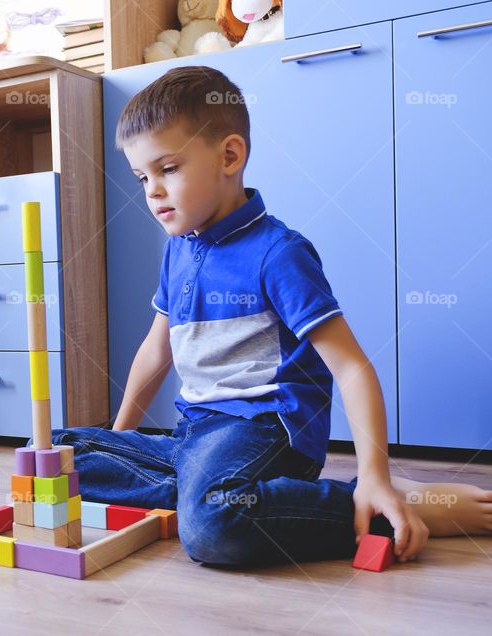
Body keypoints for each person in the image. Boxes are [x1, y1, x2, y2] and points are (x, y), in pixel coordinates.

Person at [45, 66, 492, 566]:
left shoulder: (278, 253)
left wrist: (375, 473)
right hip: (193, 436)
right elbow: (157, 350)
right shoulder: (178, 251)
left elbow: (351, 367)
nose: (151, 191)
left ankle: (378, 503)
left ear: (230, 156)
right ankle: (205, 492)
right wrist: (120, 440)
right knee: (50, 454)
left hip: (262, 430)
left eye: (167, 169)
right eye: (142, 177)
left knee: (213, 525)